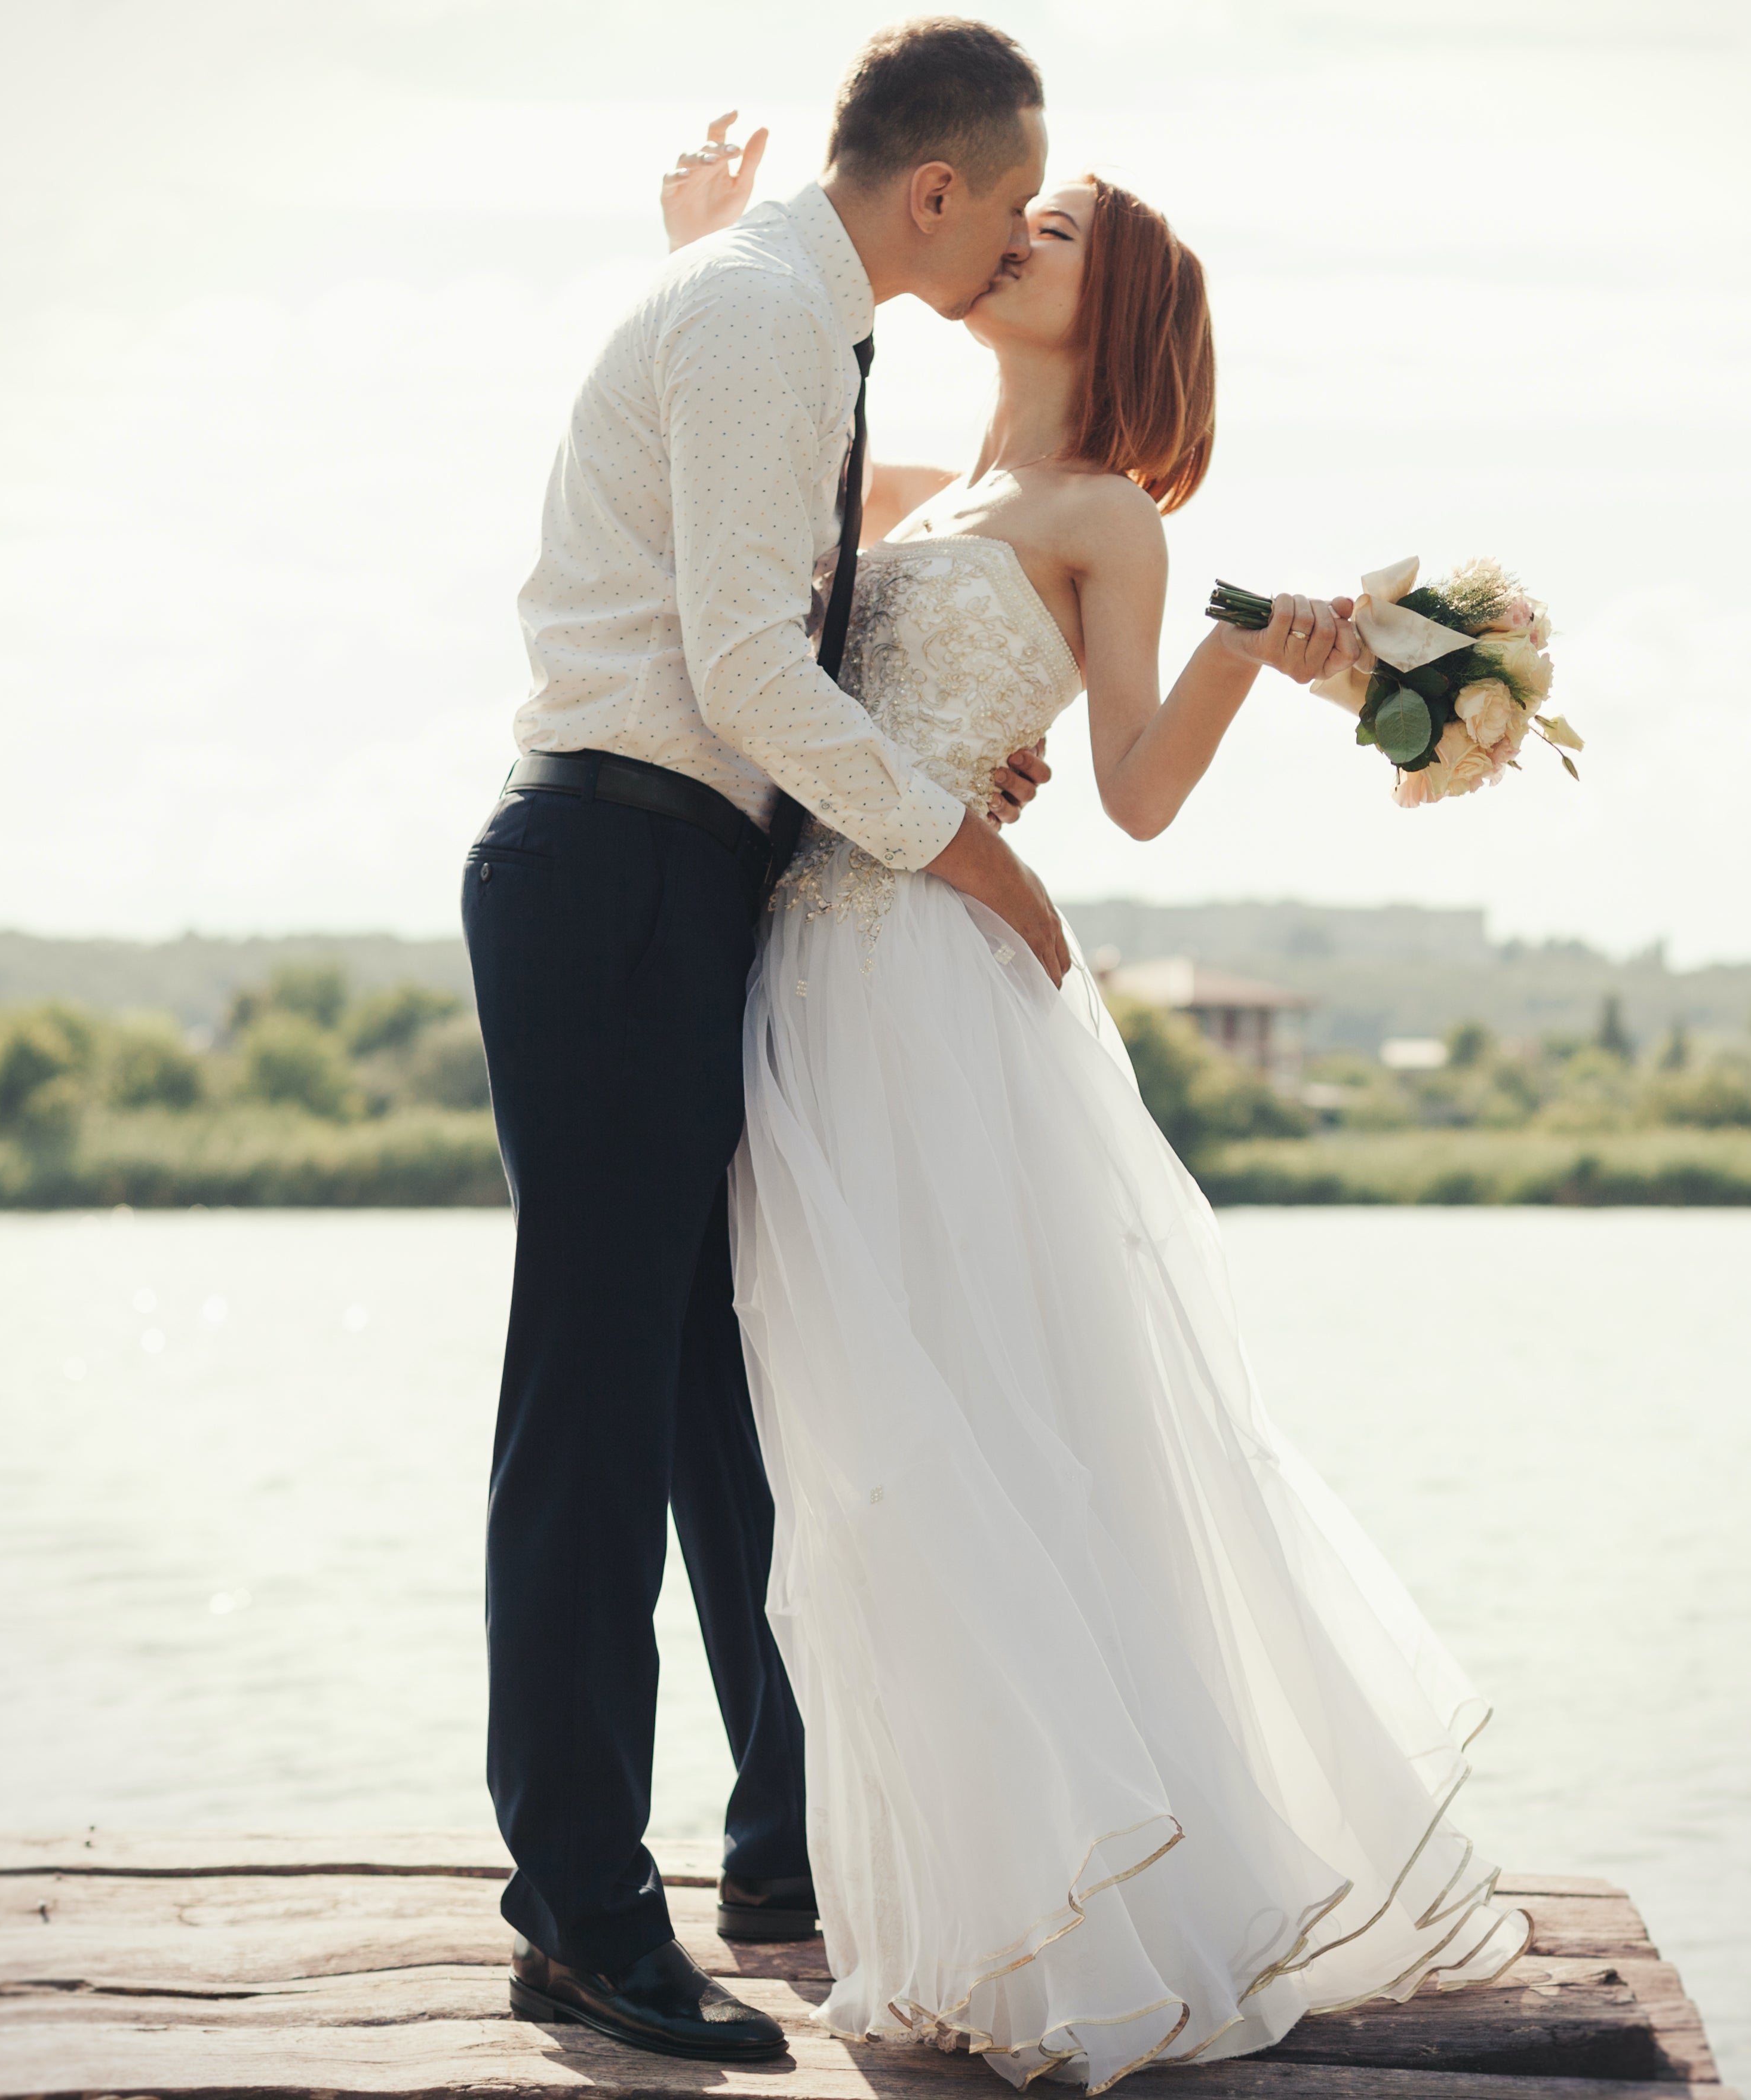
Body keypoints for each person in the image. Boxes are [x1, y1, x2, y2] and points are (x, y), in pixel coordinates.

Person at [671, 103, 1536, 2100]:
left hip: (939, 1004)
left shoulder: (1104, 517)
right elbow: (747, 543)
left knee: (970, 1427)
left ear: (1111, 294)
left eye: (1051, 226)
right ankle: (940, 1910)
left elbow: (1132, 786)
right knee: (856, 1452)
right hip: (800, 973)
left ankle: (1098, 1904)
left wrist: (1257, 643)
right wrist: (712, 245)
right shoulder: (901, 473)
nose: (1007, 235)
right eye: (1016, 212)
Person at [466, 18, 1066, 2065]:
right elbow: (734, 660)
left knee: (708, 1381)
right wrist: (961, 848)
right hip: (620, 867)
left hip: (667, 883)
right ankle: (577, 1911)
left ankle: (773, 1837)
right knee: (603, 1403)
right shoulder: (757, 323)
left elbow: (806, 584)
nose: (1013, 241)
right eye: (1008, 205)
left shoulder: (791, 314)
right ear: (934, 192)